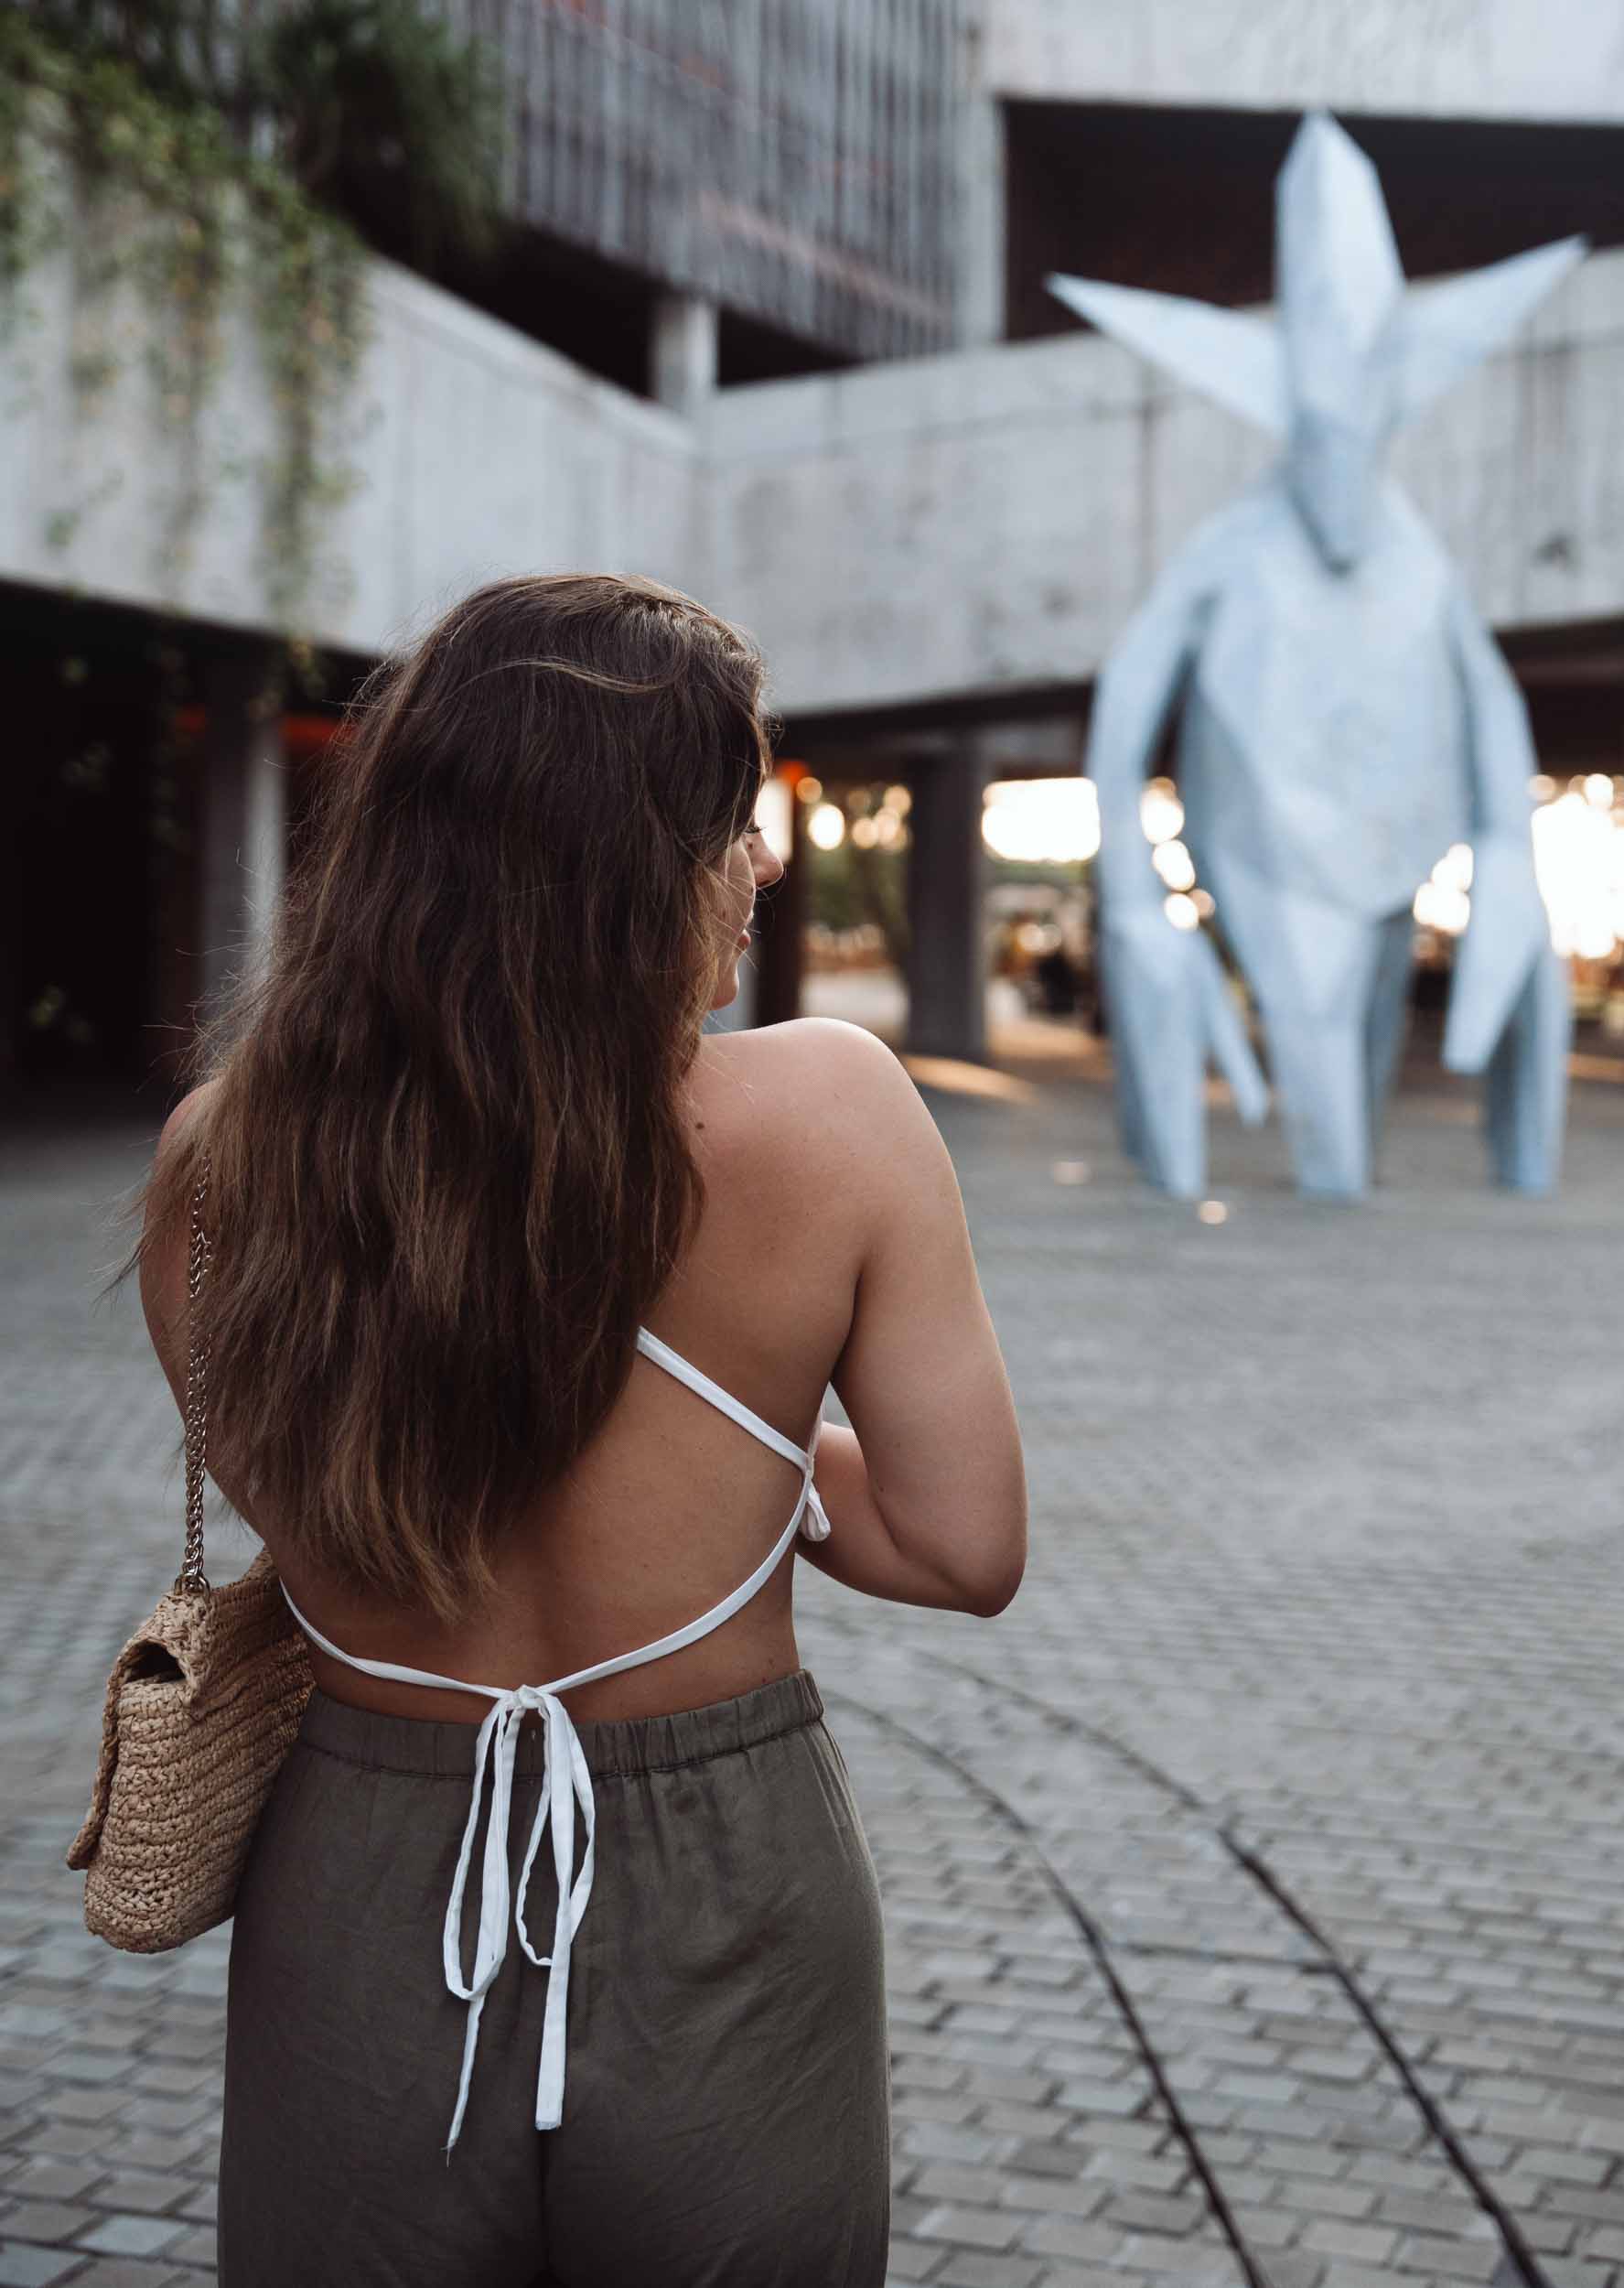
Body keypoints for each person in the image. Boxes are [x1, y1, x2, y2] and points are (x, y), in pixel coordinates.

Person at [132, 573, 1028, 2287]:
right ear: (642, 856)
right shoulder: (831, 1110)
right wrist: (746, 1435)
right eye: (732, 817)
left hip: (365, 1861)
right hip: (722, 1873)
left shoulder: (223, 1159)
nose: (762, 860)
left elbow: (351, 1511)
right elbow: (959, 1543)